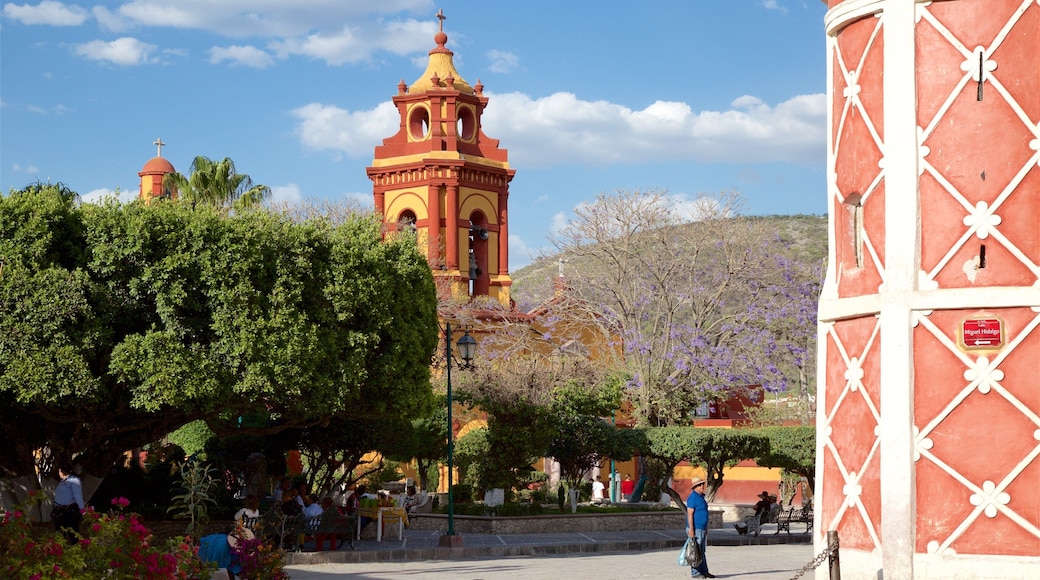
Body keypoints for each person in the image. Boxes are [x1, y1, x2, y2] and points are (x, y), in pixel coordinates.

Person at [685, 477, 714, 578]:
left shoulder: (701, 497)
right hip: (695, 528)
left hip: (701, 528)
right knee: (695, 551)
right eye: (699, 485)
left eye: (702, 484)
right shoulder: (692, 498)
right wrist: (691, 529)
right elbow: (690, 514)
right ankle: (695, 572)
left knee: (701, 551)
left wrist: (706, 528)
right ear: (695, 487)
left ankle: (704, 571)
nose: (702, 486)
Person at [52, 464, 85, 544]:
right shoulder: (63, 481)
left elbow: (78, 496)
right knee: (59, 535)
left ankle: (76, 552)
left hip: (69, 511)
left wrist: (83, 510)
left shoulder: (74, 481)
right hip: (59, 511)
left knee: (73, 534)